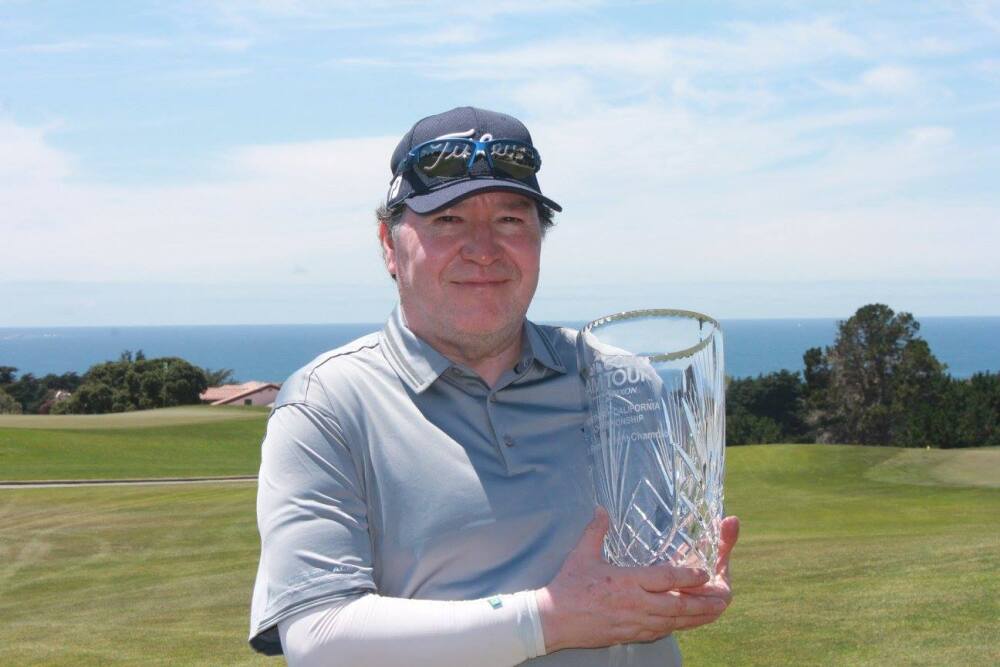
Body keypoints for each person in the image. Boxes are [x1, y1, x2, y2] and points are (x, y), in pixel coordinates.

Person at [248, 106, 739, 666]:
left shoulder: (622, 379)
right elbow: (320, 638)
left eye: (511, 220)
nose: (483, 249)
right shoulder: (326, 405)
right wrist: (549, 619)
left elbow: (648, 564)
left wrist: (687, 580)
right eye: (447, 221)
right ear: (389, 243)